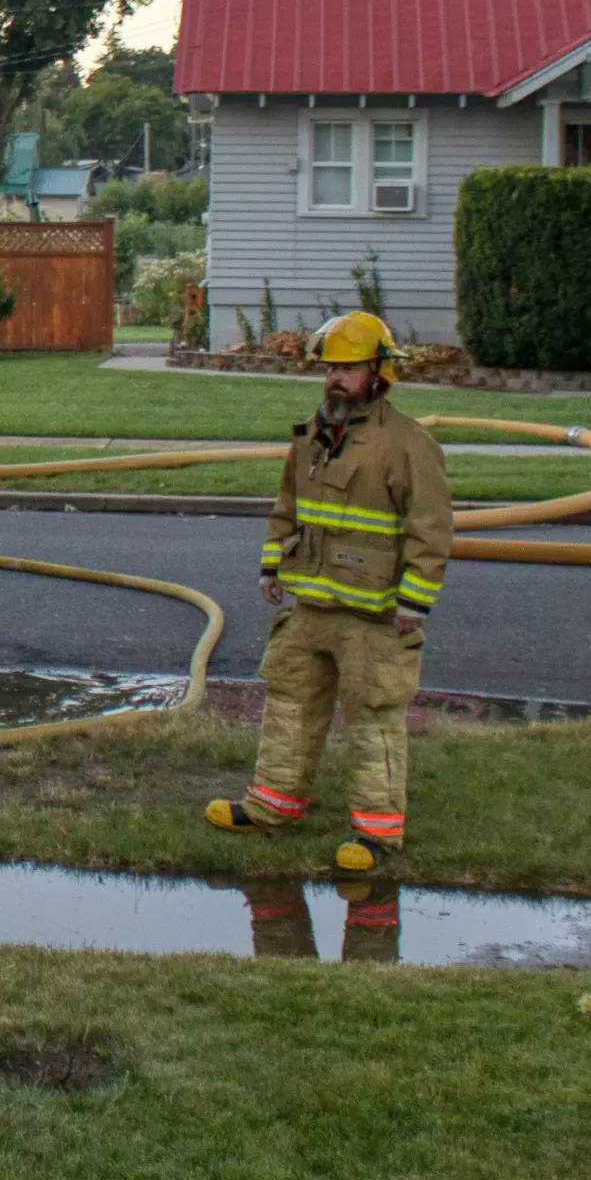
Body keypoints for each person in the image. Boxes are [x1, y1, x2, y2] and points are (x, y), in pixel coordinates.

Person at [204, 310, 451, 872]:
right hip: (310, 606)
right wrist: (272, 569)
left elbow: (431, 528)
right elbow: (287, 509)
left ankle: (376, 833)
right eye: (331, 367)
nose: (337, 378)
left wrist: (415, 601)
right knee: (289, 704)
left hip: (374, 616)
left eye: (350, 367)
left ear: (379, 373)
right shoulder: (312, 437)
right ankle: (274, 805)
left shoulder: (408, 445)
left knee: (374, 717)